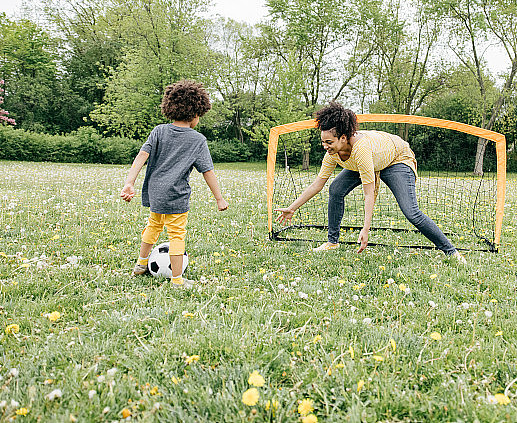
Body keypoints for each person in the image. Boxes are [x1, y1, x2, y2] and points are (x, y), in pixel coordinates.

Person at [275, 101, 466, 264]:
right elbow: (318, 184)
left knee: (411, 212)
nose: (325, 146)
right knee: (336, 189)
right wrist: (292, 208)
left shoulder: (361, 149)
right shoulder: (333, 153)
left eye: (329, 142)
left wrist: (365, 229)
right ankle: (332, 242)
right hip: (369, 160)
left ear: (343, 137)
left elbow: (369, 193)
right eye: (323, 142)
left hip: (397, 158)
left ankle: (451, 251)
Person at [120, 79, 229, 288]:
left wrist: (129, 182)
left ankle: (141, 265)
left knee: (153, 225)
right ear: (196, 113)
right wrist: (219, 198)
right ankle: (177, 280)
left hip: (155, 192)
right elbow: (208, 172)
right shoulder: (198, 140)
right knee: (177, 235)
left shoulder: (159, 131)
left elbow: (141, 156)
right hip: (176, 195)